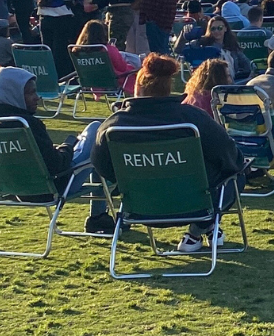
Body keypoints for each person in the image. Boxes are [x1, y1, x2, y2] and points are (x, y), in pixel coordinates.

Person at [92, 54, 243, 253]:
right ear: (169, 86)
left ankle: (204, 229)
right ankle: (201, 229)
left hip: (139, 205)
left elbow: (101, 166)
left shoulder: (113, 126)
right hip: (194, 205)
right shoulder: (193, 119)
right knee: (236, 175)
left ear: (138, 87)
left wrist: (129, 180)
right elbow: (231, 157)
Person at [0, 65, 111, 231]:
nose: (37, 97)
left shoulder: (11, 125)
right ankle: (98, 216)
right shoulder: (26, 125)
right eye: (30, 93)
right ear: (12, 94)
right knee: (96, 130)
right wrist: (67, 146)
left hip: (11, 189)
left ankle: (99, 216)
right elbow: (57, 166)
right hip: (54, 186)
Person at [36, 0, 82, 77]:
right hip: (61, 18)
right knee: (60, 51)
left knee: (47, 49)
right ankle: (62, 77)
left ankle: (48, 76)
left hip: (44, 18)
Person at [73, 19, 139, 96]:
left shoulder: (78, 51)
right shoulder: (108, 49)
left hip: (90, 79)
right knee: (133, 70)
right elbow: (122, 67)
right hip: (111, 79)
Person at [199, 15, 253, 82]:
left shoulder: (232, 45)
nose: (216, 31)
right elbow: (187, 46)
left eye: (220, 28)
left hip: (233, 81)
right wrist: (185, 34)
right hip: (212, 82)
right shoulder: (205, 45)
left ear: (225, 28)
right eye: (213, 29)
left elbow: (246, 64)